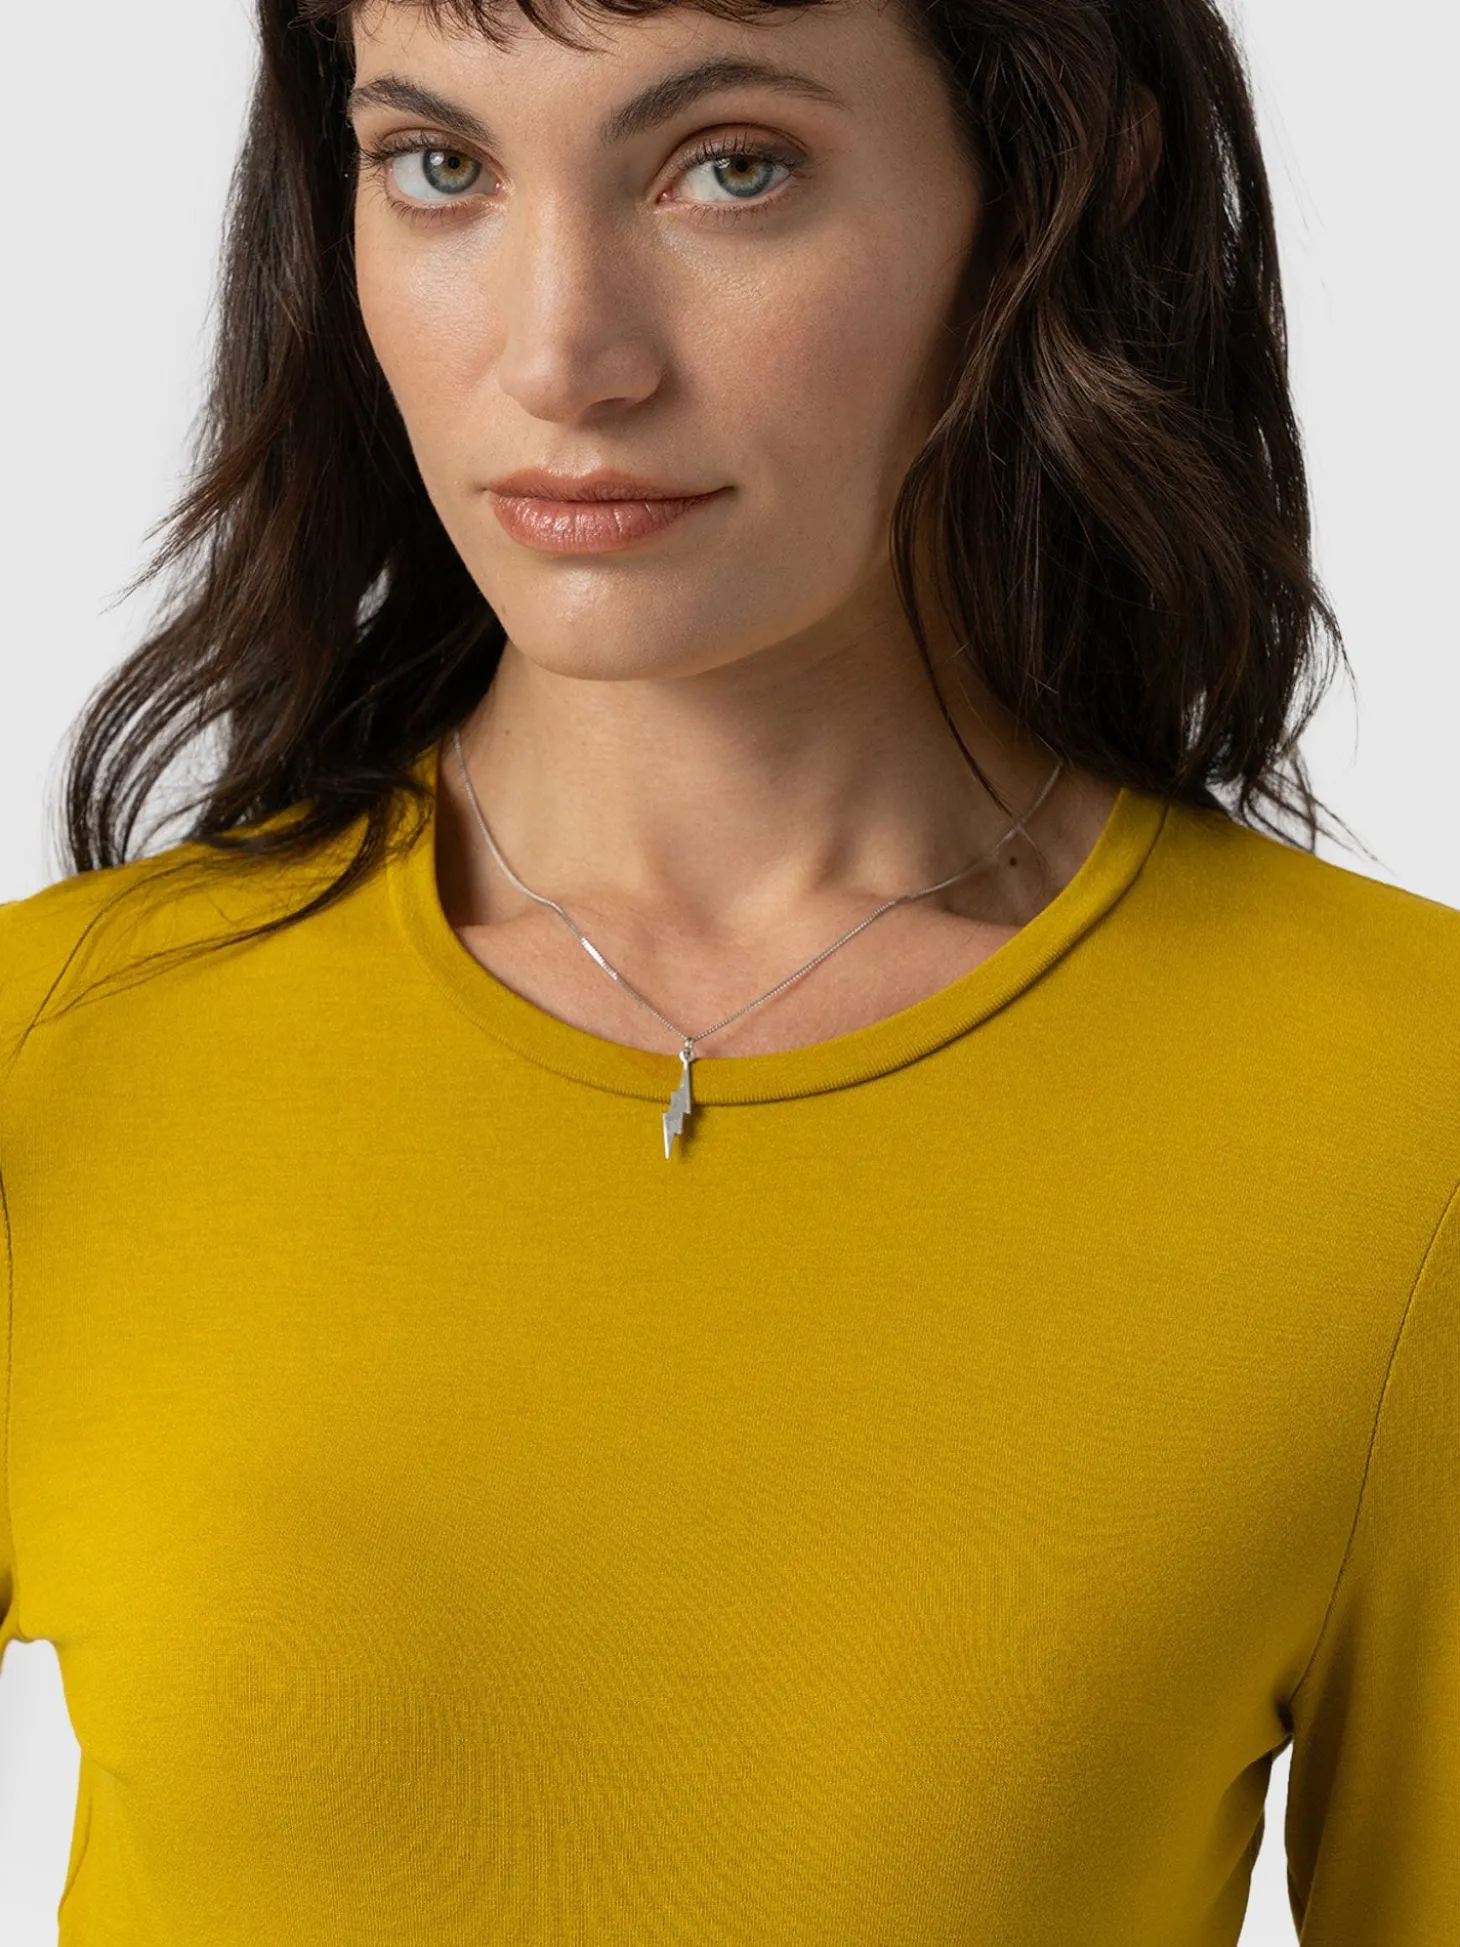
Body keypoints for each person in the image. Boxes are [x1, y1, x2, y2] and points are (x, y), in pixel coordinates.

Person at [1, 0, 1455, 1938]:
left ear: (1061, 187)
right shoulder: (55, 1052)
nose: (559, 356)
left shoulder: (1400, 1108)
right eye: (440, 166)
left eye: (732, 170)